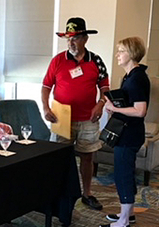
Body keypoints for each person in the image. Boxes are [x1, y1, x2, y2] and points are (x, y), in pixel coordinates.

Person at [42, 17, 110, 211]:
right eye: (68, 38)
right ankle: (57, 192)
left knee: (88, 157)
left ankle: (87, 193)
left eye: (75, 38)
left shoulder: (96, 61)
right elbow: (46, 87)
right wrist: (46, 108)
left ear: (85, 39)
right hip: (61, 118)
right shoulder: (58, 61)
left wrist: (101, 103)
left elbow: (105, 87)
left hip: (88, 118)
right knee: (59, 157)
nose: (71, 42)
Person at [99, 36, 150, 227]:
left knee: (123, 174)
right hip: (126, 132)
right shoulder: (130, 76)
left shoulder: (137, 78)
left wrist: (115, 108)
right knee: (123, 172)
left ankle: (123, 222)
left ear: (131, 54)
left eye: (121, 51)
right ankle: (127, 213)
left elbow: (140, 110)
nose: (117, 55)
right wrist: (116, 107)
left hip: (130, 134)